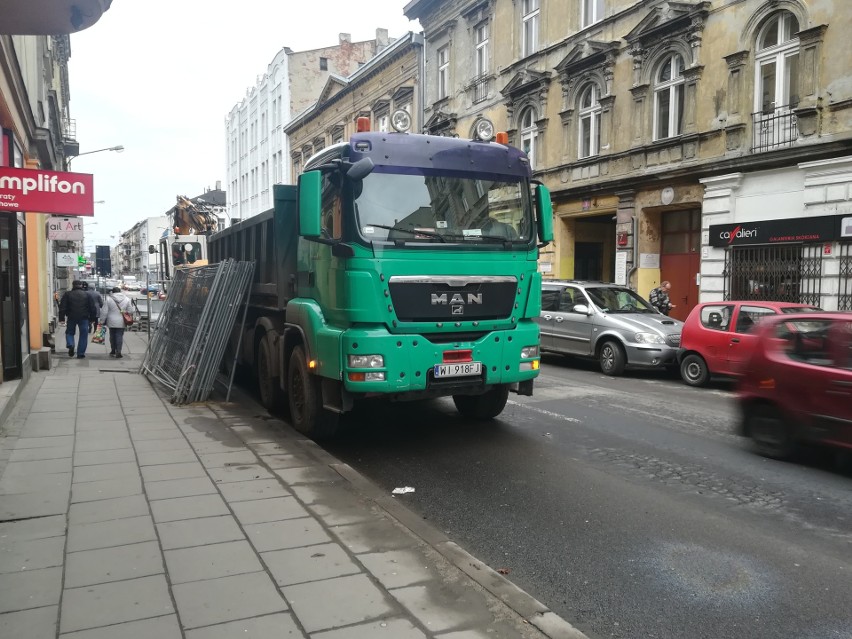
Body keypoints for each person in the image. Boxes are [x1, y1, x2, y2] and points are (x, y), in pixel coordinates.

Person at [58, 280, 98, 359]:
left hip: (71, 317)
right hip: (84, 318)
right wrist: (92, 318)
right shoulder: (87, 295)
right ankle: (80, 353)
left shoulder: (67, 294)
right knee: (83, 335)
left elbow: (62, 307)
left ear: (73, 285)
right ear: (81, 285)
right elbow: (92, 308)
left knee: (69, 332)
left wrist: (61, 318)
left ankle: (70, 344)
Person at [99, 286, 133, 358]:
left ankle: (113, 350)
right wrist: (123, 311)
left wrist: (102, 321)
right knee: (119, 336)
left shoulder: (108, 299)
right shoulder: (127, 299)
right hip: (121, 321)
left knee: (112, 335)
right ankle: (119, 351)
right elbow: (130, 311)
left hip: (111, 320)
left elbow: (104, 311)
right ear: (120, 291)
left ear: (113, 292)